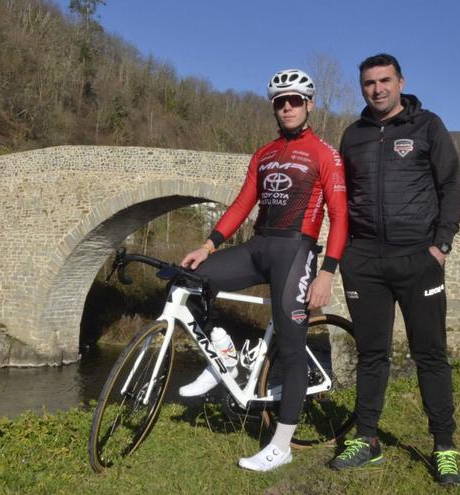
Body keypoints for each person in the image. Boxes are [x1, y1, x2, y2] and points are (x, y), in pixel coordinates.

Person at [178, 68, 347, 472]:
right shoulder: (264, 154)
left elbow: (341, 217)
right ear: (274, 107)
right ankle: (222, 353)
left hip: (296, 250)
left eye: (294, 101)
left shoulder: (326, 154)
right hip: (258, 246)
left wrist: (327, 272)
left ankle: (282, 444)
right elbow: (240, 204)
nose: (287, 107)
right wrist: (208, 245)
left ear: (309, 105)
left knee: (291, 349)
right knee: (189, 281)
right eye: (280, 102)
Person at [328, 53, 460, 486]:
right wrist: (345, 254)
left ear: (401, 82)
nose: (377, 89)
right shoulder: (353, 136)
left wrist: (440, 245)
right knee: (371, 354)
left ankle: (444, 445)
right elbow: (341, 198)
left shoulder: (428, 127)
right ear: (362, 87)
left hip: (417, 259)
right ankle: (366, 440)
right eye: (369, 83)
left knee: (430, 354)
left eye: (385, 80)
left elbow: (452, 187)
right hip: (365, 262)